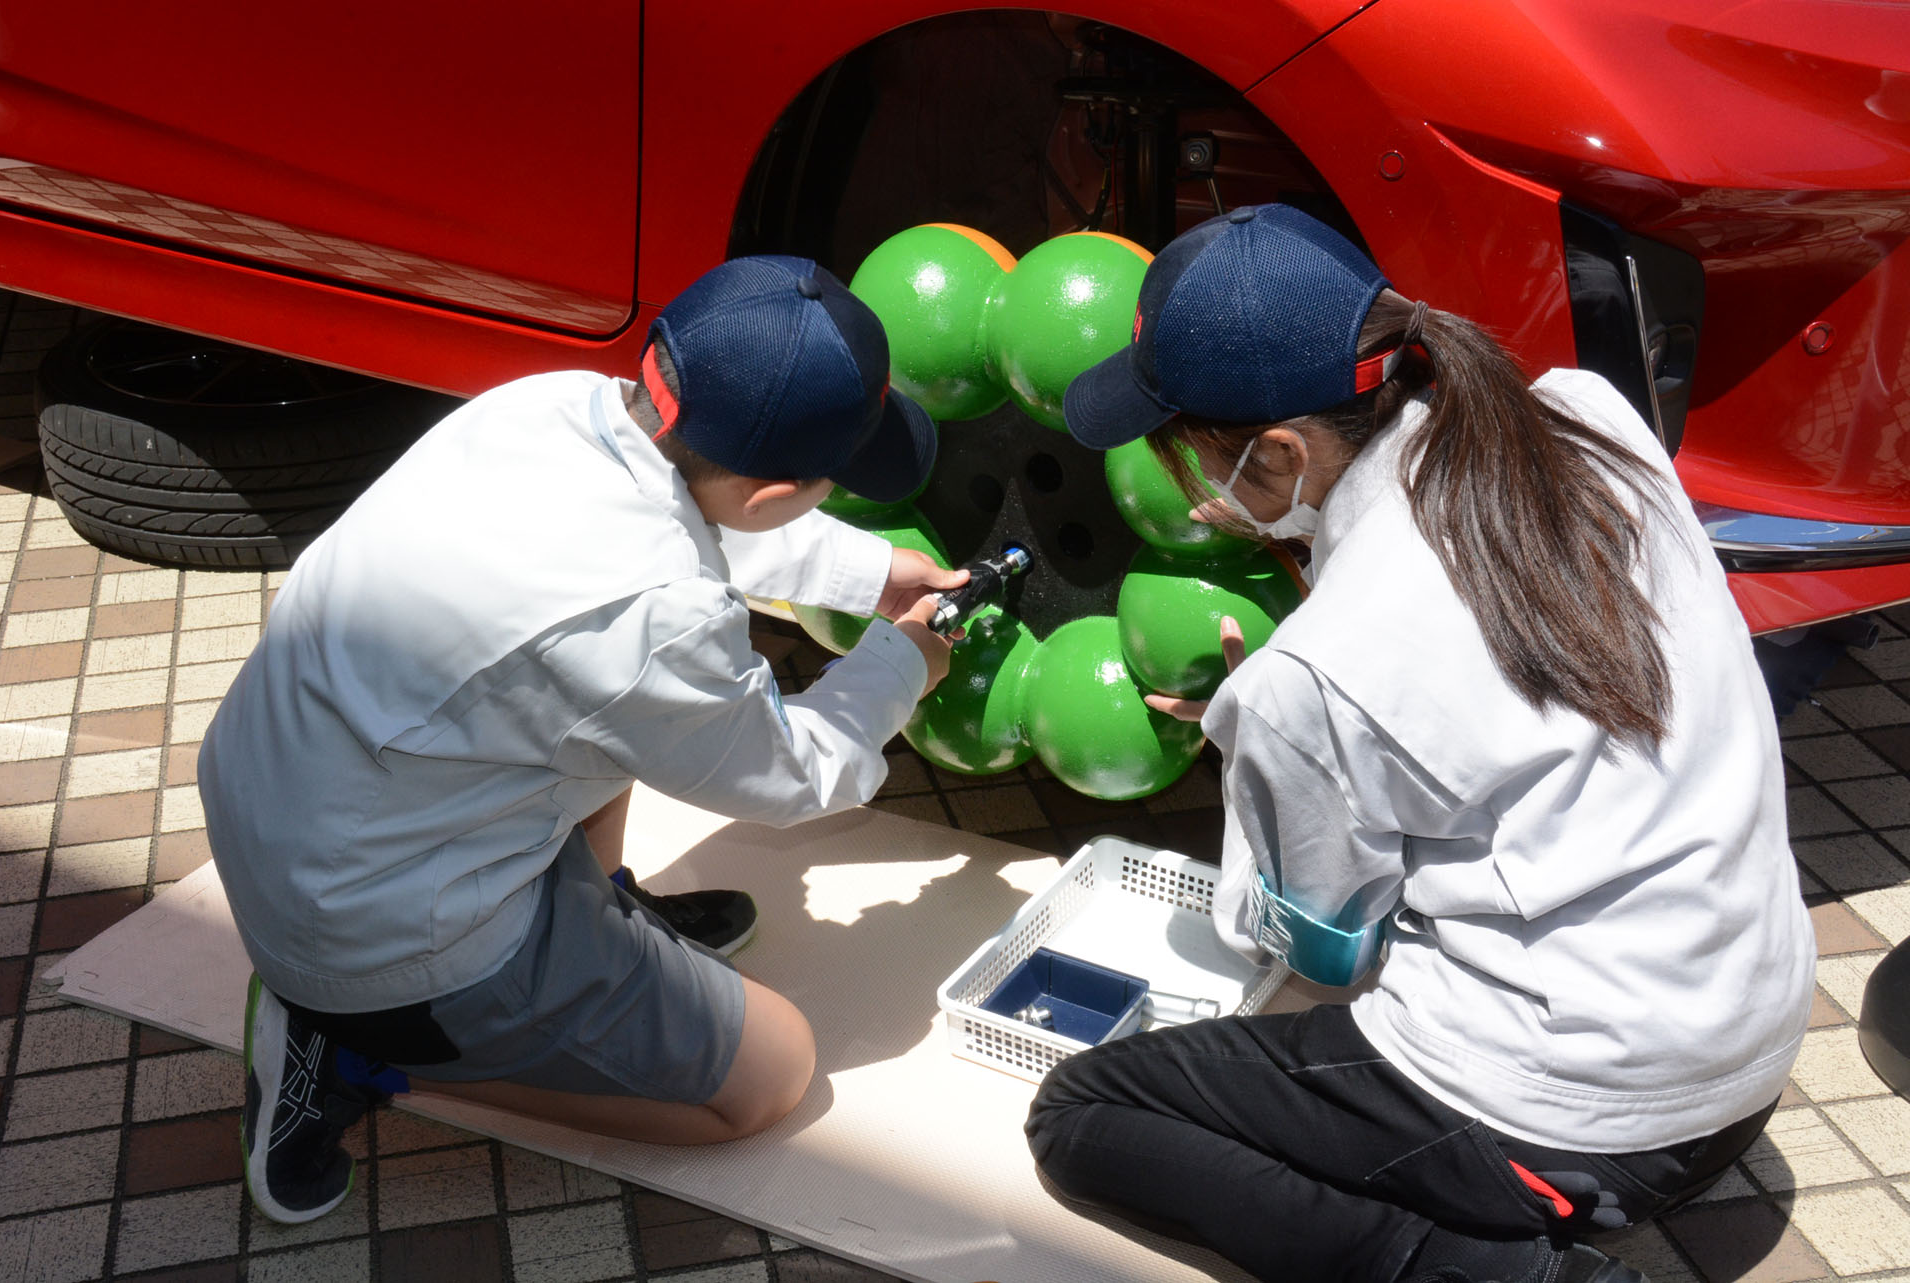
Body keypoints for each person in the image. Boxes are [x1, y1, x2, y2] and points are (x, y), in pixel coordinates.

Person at [1025, 205, 1815, 1283]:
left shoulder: (1308, 678)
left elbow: (1319, 946)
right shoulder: (1590, 420)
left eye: (1187, 455)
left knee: (1085, 1112)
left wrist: (1254, 752)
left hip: (1578, 1120)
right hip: (1750, 1051)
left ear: (1275, 453)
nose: (1184, 484)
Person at [200, 255, 967, 1224]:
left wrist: (869, 572)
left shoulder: (554, 403)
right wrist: (904, 665)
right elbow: (794, 769)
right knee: (774, 1073)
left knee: (615, 700)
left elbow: (703, 517)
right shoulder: (657, 617)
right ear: (779, 493)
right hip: (370, 926)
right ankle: (358, 1049)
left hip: (289, 794)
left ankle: (589, 917)